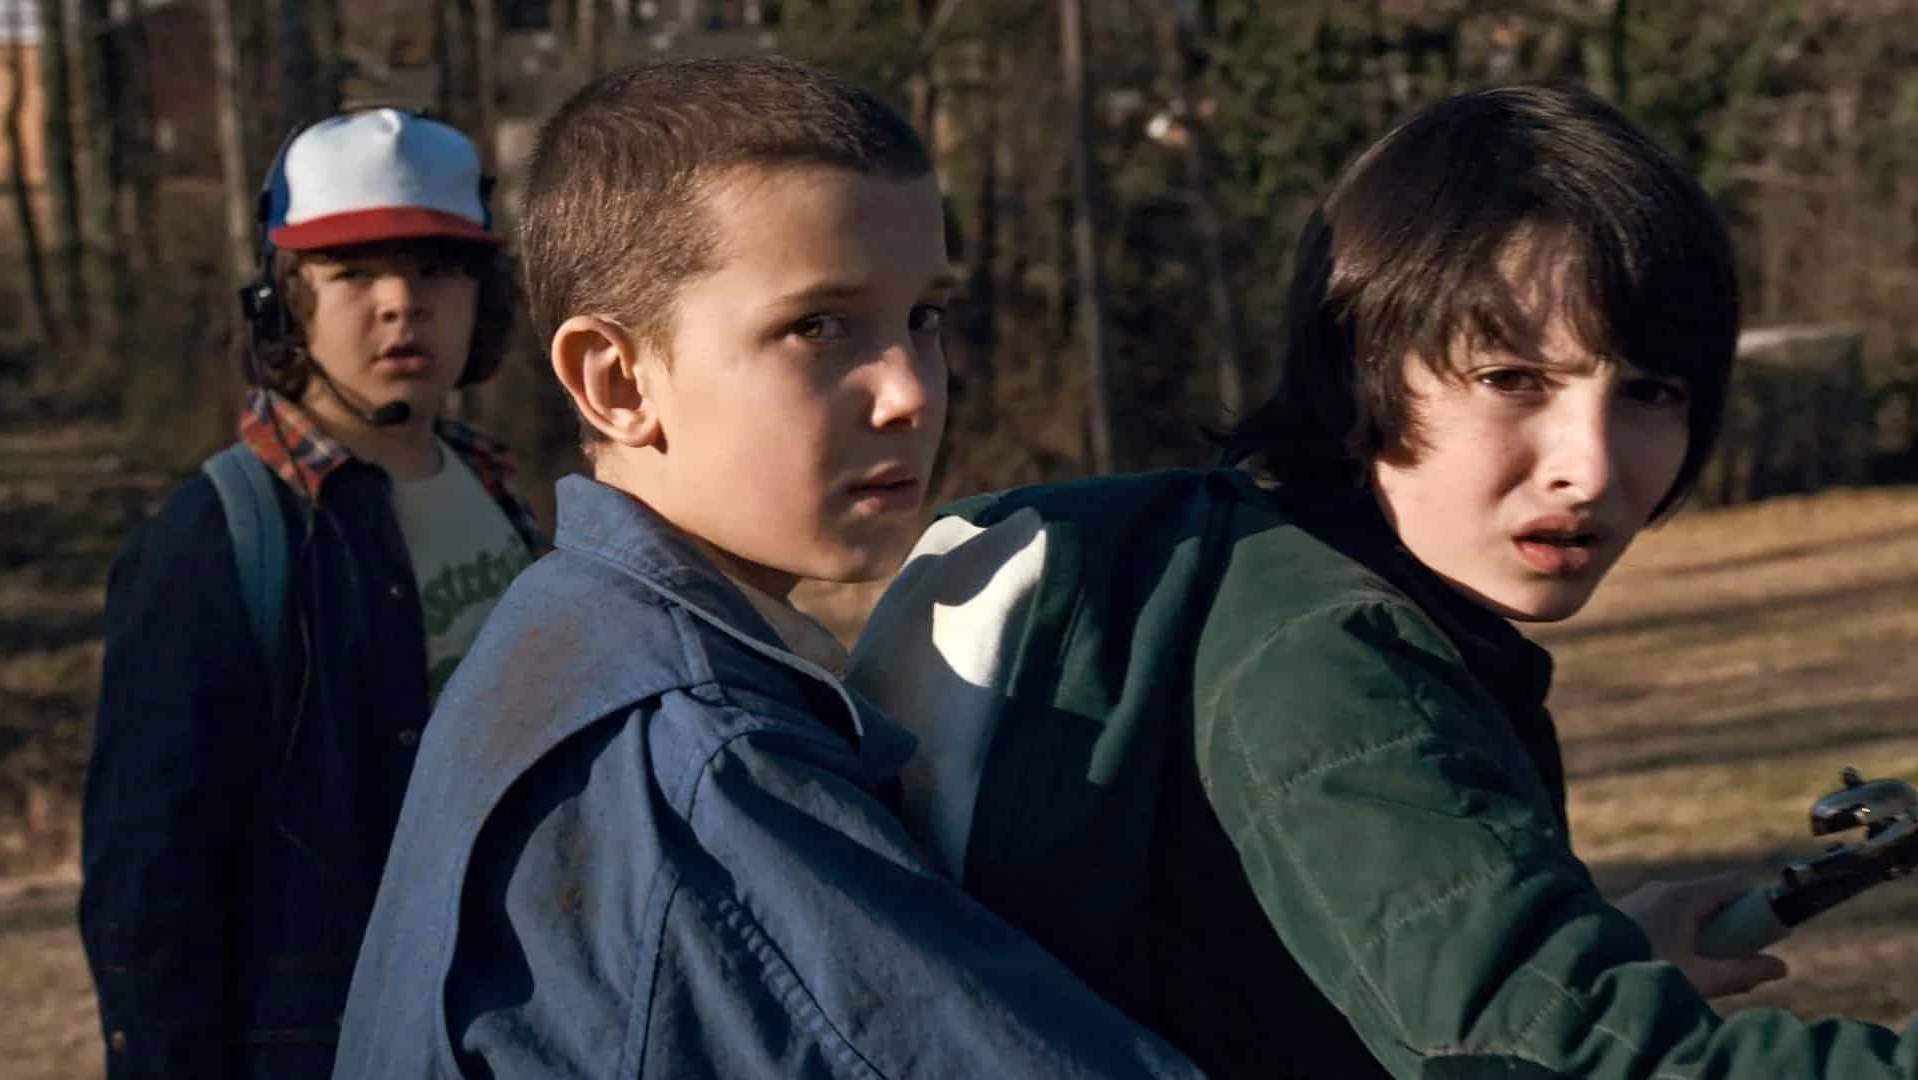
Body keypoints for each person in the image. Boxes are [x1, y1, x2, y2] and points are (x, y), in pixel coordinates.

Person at [848, 84, 1918, 1077]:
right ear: (1359, 369)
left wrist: (1585, 953)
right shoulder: (1325, 653)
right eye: (1512, 379)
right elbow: (1562, 1063)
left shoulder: (1273, 582)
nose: (1590, 467)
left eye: (1649, 393)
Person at [333, 57, 1199, 1078]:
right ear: (617, 382)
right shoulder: (702, 757)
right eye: (818, 326)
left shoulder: (558, 629)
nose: (912, 392)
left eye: (924, 318)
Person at [79, 109, 545, 1079]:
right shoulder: (217, 539)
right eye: (354, 274)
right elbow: (149, 887)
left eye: (436, 269)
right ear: (283, 306)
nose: (401, 304)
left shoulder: (499, 494)